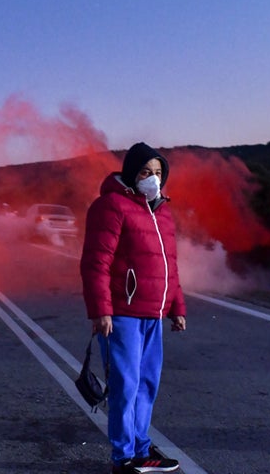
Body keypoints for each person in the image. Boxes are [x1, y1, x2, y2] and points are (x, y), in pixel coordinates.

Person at [80, 142, 187, 474]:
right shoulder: (111, 206)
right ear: (131, 174)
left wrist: (176, 307)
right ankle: (122, 457)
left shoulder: (162, 212)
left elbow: (169, 266)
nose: (153, 179)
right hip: (122, 314)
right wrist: (101, 310)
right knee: (125, 386)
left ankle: (142, 449)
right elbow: (96, 262)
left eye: (158, 173)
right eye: (145, 172)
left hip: (153, 313)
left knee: (146, 384)